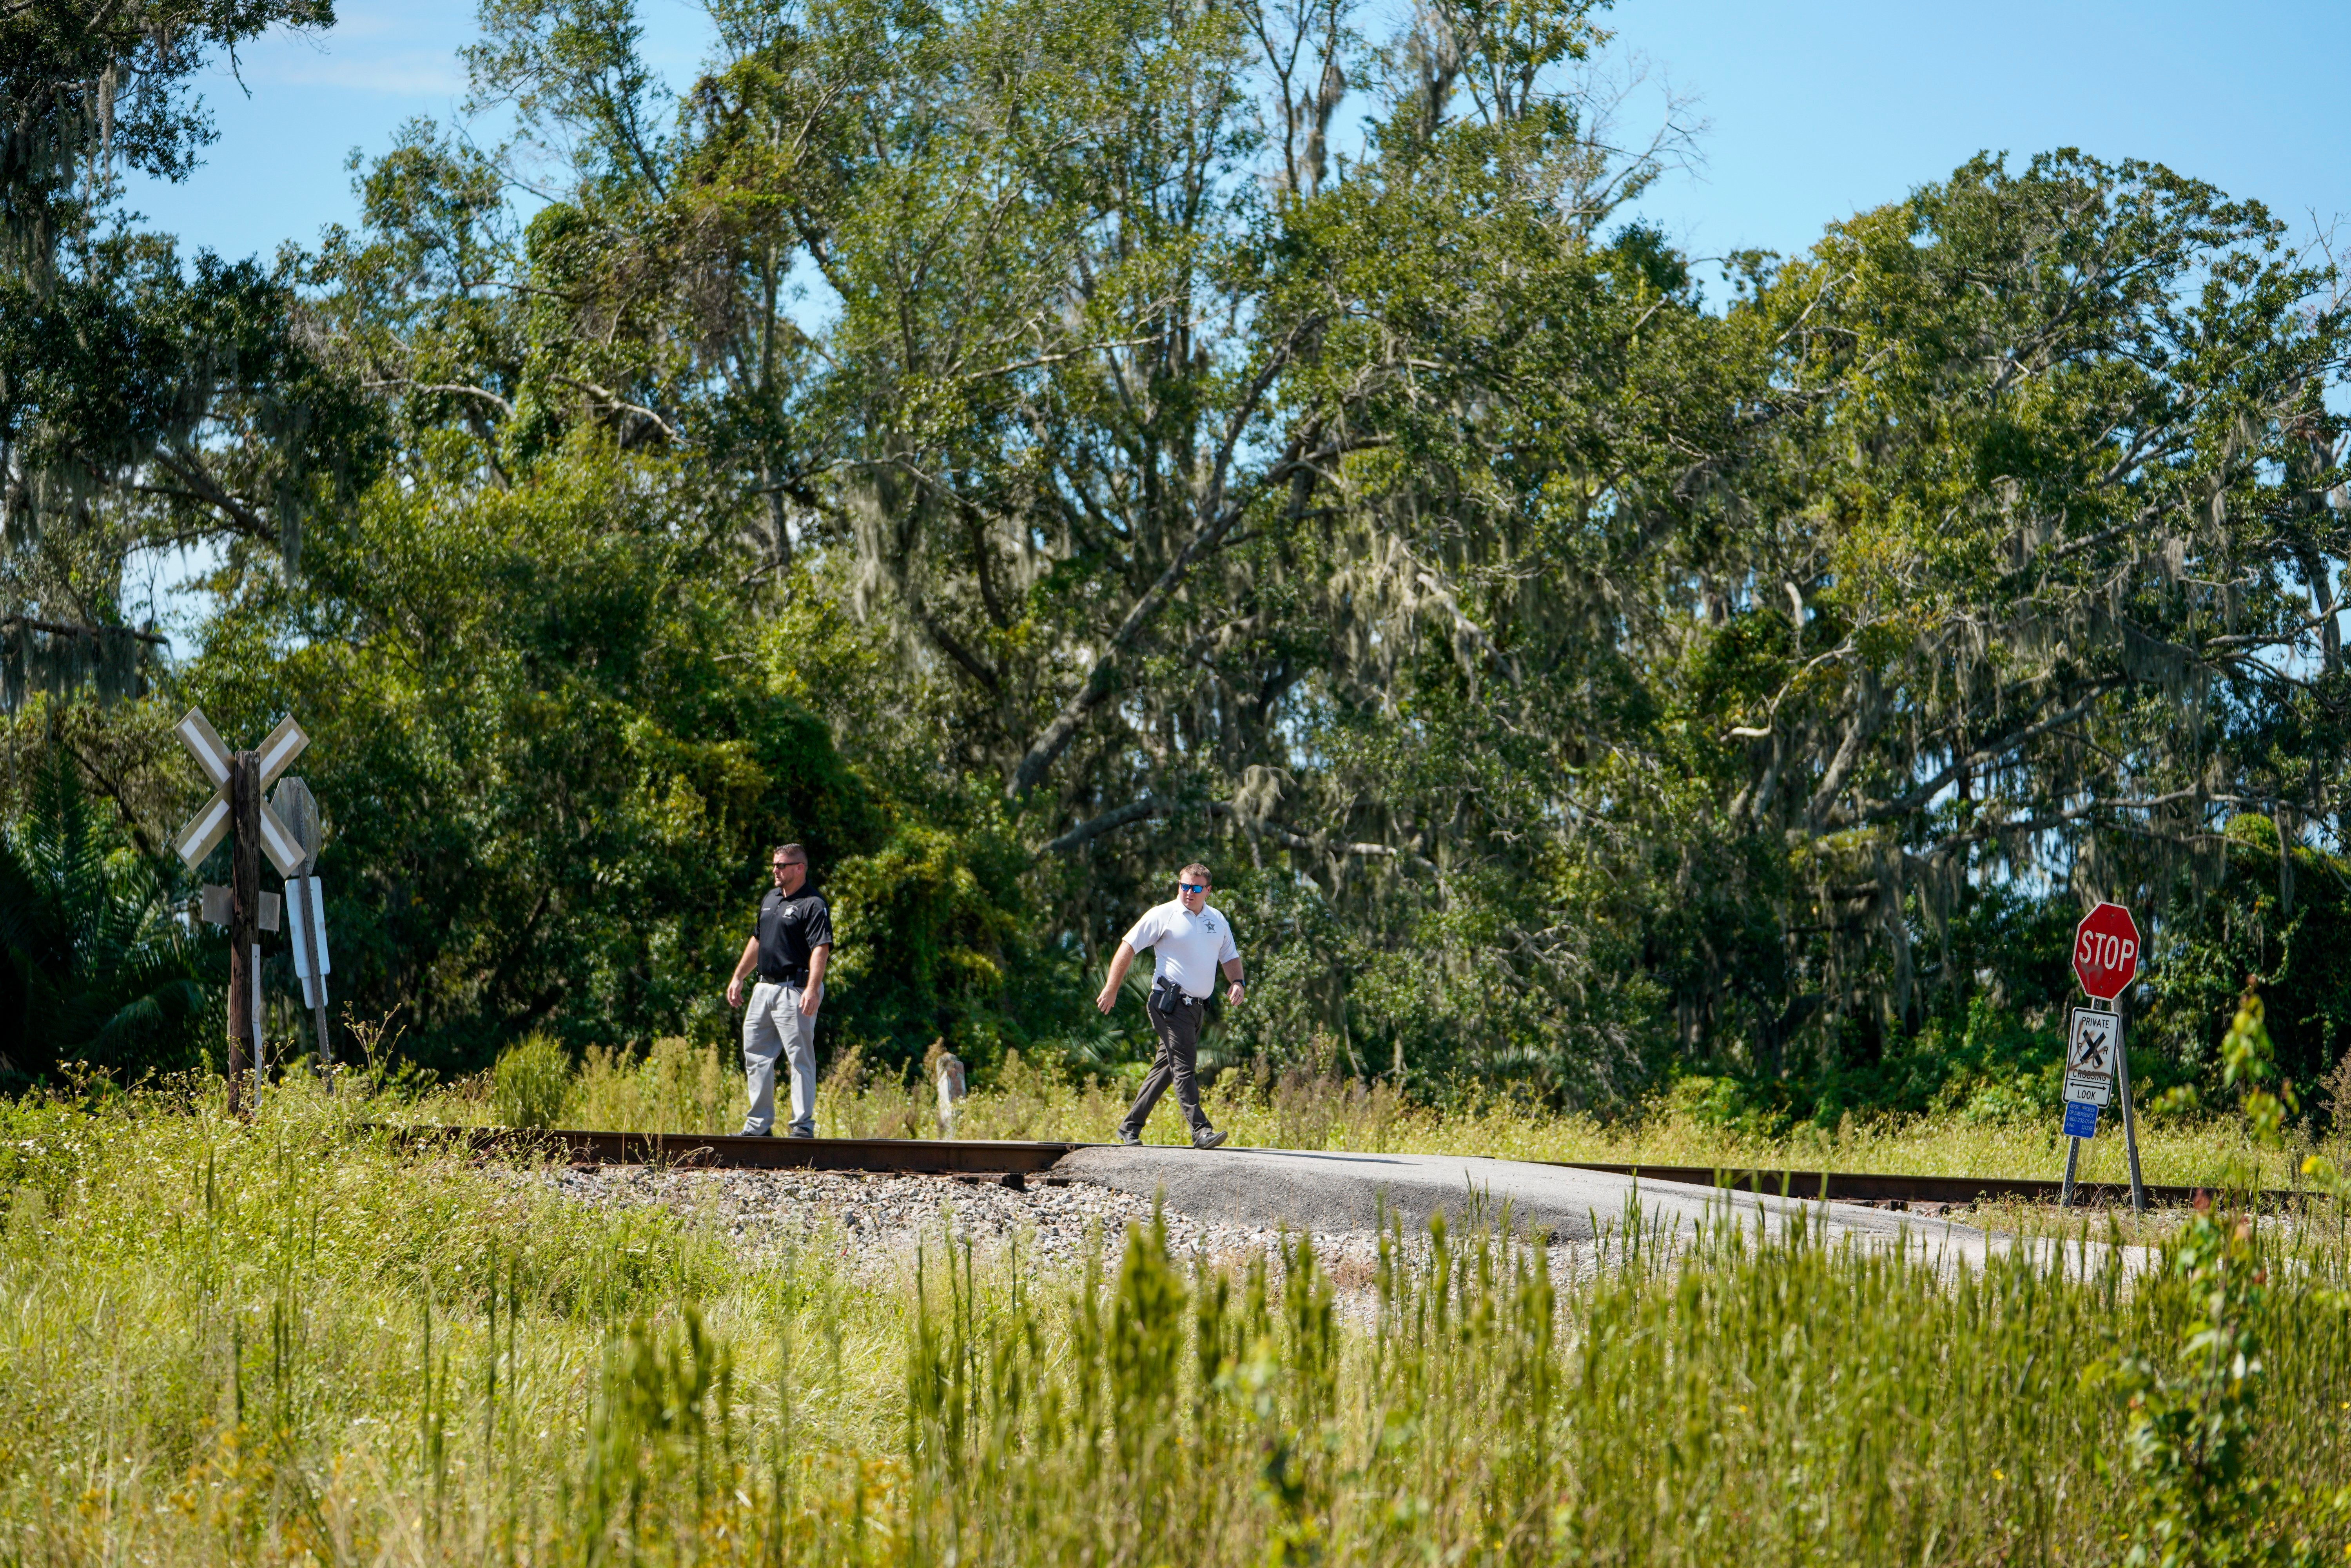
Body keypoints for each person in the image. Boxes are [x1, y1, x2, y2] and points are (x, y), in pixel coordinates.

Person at [1096, 861, 1244, 1149]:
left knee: (1166, 1068)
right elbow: (1128, 946)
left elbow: (1230, 956)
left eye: (1196, 887)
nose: (1189, 892)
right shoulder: (1164, 914)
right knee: (1185, 1065)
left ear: (1208, 891)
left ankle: (1129, 1127)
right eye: (1184, 885)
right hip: (1169, 1004)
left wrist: (1238, 982)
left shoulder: (1217, 920)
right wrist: (1111, 988)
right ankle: (1201, 1130)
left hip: (1198, 1008)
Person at [727, 843, 833, 1137]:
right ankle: (758, 1125)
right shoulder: (771, 899)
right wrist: (738, 977)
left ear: (799, 868)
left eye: (781, 866)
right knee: (756, 1056)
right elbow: (757, 940)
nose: (775, 870)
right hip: (764, 988)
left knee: (800, 1058)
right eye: (774, 865)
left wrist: (812, 989)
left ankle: (802, 1127)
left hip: (795, 990)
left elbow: (820, 949)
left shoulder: (813, 903)